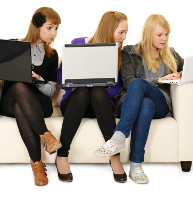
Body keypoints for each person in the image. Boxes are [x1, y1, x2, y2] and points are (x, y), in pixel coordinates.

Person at [94, 14, 184, 184]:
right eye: (159, 35)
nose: (164, 39)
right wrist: (159, 80)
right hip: (134, 100)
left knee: (146, 94)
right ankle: (136, 166)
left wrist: (180, 75)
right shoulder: (130, 52)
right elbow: (129, 83)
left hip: (161, 104)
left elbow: (191, 71)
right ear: (148, 33)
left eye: (166, 35)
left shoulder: (171, 54)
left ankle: (118, 138)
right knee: (144, 101)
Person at [56, 11, 128, 183]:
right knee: (82, 92)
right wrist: (72, 86)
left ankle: (114, 156)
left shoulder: (120, 54)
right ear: (109, 29)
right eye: (121, 32)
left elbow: (116, 90)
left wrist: (99, 84)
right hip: (75, 102)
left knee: (96, 91)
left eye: (126, 32)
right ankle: (62, 155)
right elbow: (61, 73)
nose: (124, 37)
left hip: (100, 105)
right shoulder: (79, 43)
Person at [0, 7, 62, 186]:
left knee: (23, 108)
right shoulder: (15, 47)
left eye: (57, 28)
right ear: (37, 26)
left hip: (37, 103)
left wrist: (38, 79)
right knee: (19, 87)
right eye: (50, 27)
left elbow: (51, 91)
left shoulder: (52, 55)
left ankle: (37, 165)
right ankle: (46, 136)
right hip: (11, 99)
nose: (54, 33)